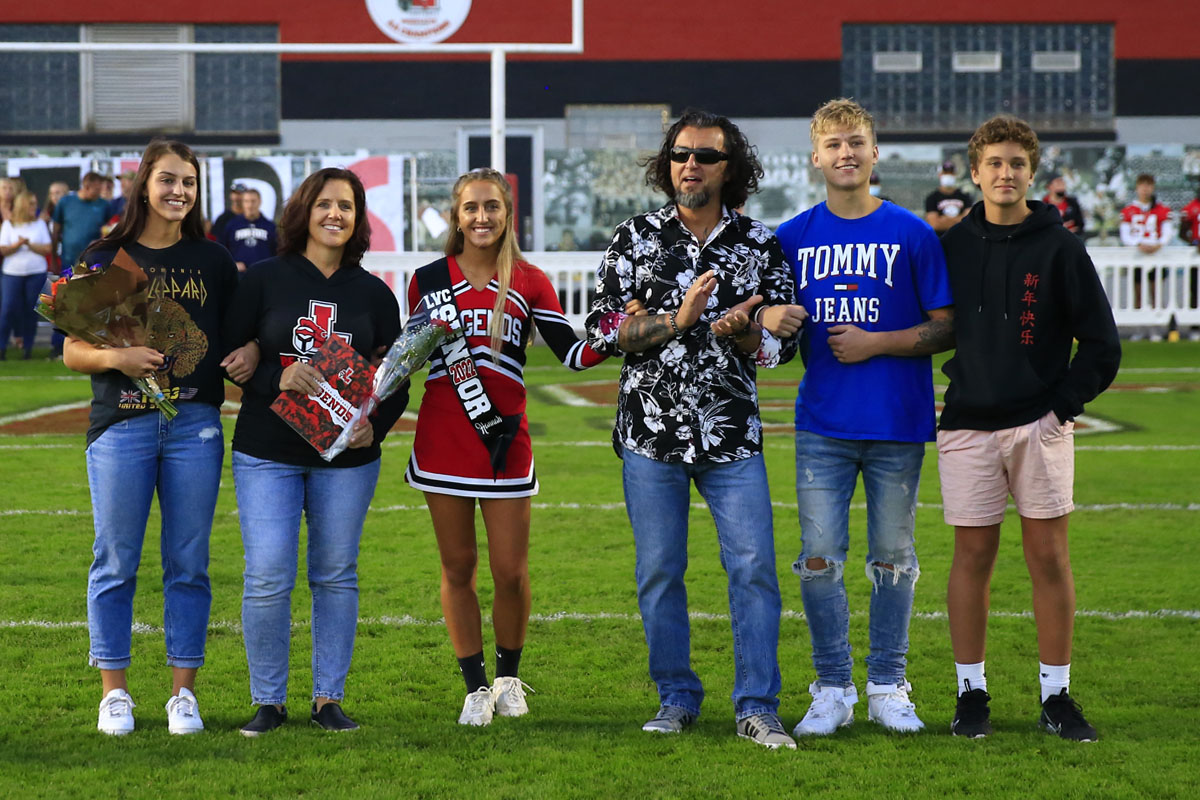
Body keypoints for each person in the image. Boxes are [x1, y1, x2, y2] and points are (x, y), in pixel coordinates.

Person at [584, 109, 806, 750]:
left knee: (755, 571)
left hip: (730, 434)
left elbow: (780, 349)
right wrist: (678, 321)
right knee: (659, 572)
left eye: (705, 156)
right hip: (650, 435)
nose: (690, 166)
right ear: (667, 163)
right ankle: (676, 696)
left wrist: (748, 332)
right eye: (681, 155)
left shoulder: (760, 244)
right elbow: (606, 331)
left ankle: (757, 706)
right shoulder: (633, 238)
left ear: (729, 166)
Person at [407, 168, 634, 727]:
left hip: (504, 442)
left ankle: (508, 678)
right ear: (456, 217)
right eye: (470, 209)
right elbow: (405, 362)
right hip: (442, 440)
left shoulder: (530, 281)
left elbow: (573, 355)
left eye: (492, 208)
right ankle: (474, 687)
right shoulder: (426, 280)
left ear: (508, 216)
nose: (481, 218)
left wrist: (619, 335)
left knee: (510, 571)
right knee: (457, 567)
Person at [774, 98, 954, 737]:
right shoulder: (791, 238)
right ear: (815, 157)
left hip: (896, 422)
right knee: (818, 558)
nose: (846, 154)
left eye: (857, 142)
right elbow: (774, 337)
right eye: (834, 145)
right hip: (823, 423)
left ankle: (886, 684)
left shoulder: (912, 233)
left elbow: (946, 327)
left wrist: (876, 342)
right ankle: (831, 687)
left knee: (893, 559)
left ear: (875, 152)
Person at [62, 139, 254, 736]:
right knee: (115, 560)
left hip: (195, 424)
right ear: (144, 183)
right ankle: (114, 693)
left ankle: (182, 696)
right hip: (120, 426)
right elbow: (72, 351)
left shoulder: (214, 260)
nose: (178, 192)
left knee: (189, 563)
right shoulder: (104, 255)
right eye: (168, 179)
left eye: (189, 183)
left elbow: (235, 339)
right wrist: (117, 356)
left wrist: (249, 353)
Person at [938, 115, 1121, 742]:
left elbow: (1101, 345)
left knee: (1048, 557)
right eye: (993, 163)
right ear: (975, 172)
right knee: (972, 558)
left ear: (1033, 171)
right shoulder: (952, 245)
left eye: (1016, 162)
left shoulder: (1062, 247)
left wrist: (1059, 407)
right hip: (966, 425)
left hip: (1039, 425)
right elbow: (931, 324)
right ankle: (971, 693)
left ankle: (1057, 696)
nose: (1005, 173)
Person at [223, 167, 406, 736]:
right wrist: (274, 374)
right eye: (325, 203)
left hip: (345, 460)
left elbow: (394, 377)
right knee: (269, 573)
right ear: (304, 210)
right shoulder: (261, 279)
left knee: (334, 574)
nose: (336, 215)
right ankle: (268, 700)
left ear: (359, 219)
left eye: (347, 206)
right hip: (267, 449)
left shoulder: (375, 293)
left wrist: (375, 425)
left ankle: (328, 698)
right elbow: (229, 357)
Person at [0, 190, 52, 360]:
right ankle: (2, 347)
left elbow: (47, 249)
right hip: (12, 273)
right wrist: (18, 244)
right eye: (31, 204)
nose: (34, 207)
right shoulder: (9, 225)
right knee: (8, 309)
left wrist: (29, 244)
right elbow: (4, 249)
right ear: (23, 206)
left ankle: (28, 348)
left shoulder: (39, 225)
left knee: (32, 310)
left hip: (35, 272)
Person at [222, 187, 277, 272]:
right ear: (242, 203)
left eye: (253, 201)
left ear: (260, 202)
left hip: (264, 275)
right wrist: (232, 264)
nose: (250, 205)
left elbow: (278, 253)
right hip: (240, 277)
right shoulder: (232, 225)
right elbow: (222, 250)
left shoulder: (270, 226)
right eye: (246, 201)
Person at [925, 159, 972, 233]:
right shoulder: (932, 198)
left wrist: (944, 219)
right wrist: (959, 219)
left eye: (951, 173)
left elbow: (969, 222)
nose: (948, 176)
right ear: (940, 175)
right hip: (941, 240)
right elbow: (935, 224)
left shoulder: (965, 197)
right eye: (945, 173)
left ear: (955, 175)